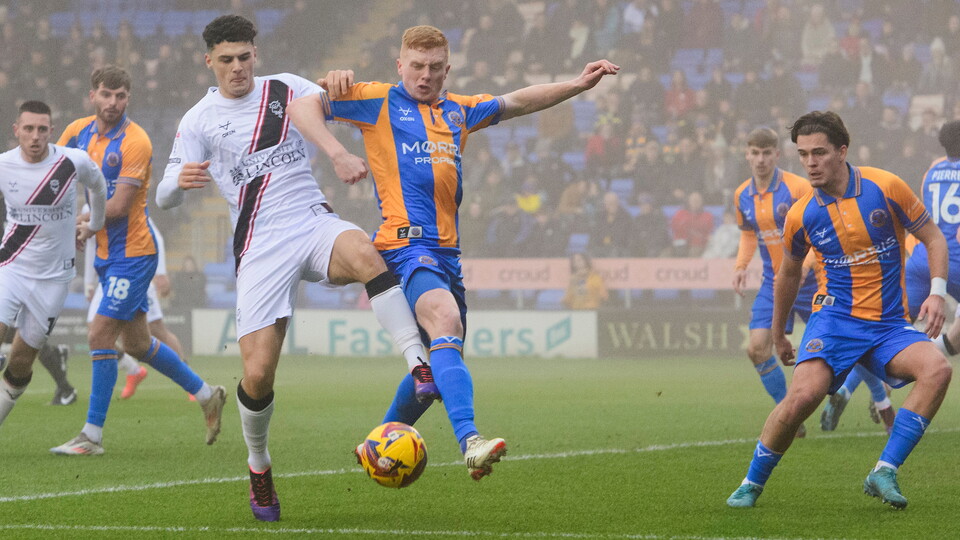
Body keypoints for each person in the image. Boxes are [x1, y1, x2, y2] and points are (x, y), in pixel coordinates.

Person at [297, 25, 618, 481]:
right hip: (405, 246)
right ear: (400, 66)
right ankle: (471, 441)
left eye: (434, 68)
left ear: (447, 69)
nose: (425, 76)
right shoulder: (377, 99)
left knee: (434, 366)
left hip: (447, 254)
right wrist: (335, 152)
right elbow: (301, 104)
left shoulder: (458, 111)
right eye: (416, 66)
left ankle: (376, 445)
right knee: (446, 321)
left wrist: (578, 84)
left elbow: (519, 101)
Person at [156, 15, 436, 522]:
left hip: (310, 221)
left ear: (255, 55)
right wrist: (181, 182)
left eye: (244, 57)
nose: (237, 67)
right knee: (258, 375)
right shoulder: (198, 120)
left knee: (368, 256)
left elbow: (334, 98)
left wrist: (340, 81)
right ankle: (259, 469)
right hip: (259, 248)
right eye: (226, 60)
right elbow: (164, 194)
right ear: (209, 62)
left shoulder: (286, 89)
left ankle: (419, 367)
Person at [727, 111, 953, 510]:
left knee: (938, 370)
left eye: (819, 153)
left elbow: (933, 238)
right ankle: (751, 483)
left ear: (842, 151)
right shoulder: (802, 214)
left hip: (888, 326)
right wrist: (778, 332)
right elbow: (787, 276)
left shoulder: (885, 187)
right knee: (802, 399)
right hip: (834, 322)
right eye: (803, 155)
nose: (811, 163)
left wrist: (937, 291)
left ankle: (884, 469)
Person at [50, 66, 227, 457]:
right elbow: (53, 176)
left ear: (128, 98)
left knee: (98, 335)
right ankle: (206, 395)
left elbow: (117, 206)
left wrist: (79, 224)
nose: (113, 103)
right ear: (92, 96)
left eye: (120, 96)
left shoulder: (135, 142)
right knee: (139, 343)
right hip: (108, 257)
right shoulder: (77, 133)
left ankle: (91, 436)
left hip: (133, 255)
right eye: (106, 95)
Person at [0, 100, 106, 431]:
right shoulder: (4, 165)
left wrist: (95, 225)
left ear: (51, 131)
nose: (34, 136)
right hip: (12, 267)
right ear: (16, 130)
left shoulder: (72, 162)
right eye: (28, 129)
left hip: (54, 278)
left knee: (20, 363)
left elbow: (99, 186)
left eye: (41, 129)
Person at [732, 128, 817, 436]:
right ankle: (789, 413)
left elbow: (817, 229)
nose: (761, 160)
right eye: (755, 153)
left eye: (767, 153)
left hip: (812, 281)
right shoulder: (742, 195)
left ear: (777, 155)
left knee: (847, 348)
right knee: (756, 349)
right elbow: (748, 233)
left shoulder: (798, 188)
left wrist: (806, 264)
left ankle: (878, 398)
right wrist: (741, 265)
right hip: (773, 282)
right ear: (747, 154)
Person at [82, 217, 187, 400]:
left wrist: (161, 271)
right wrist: (89, 282)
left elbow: (156, 236)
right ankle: (133, 370)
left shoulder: (125, 195)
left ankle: (190, 382)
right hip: (108, 276)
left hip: (135, 270)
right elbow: (92, 244)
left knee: (156, 331)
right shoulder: (91, 201)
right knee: (95, 331)